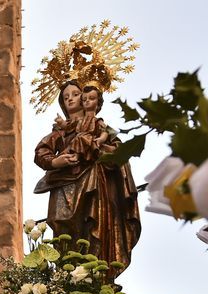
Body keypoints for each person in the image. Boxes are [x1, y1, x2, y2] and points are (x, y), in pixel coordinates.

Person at [33, 79, 140, 267]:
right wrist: (56, 161)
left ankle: (93, 272)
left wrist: (97, 149)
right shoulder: (60, 131)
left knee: (93, 225)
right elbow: (41, 152)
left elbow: (118, 149)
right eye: (66, 97)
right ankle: (67, 272)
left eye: (75, 95)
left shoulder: (99, 124)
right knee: (60, 222)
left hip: (94, 181)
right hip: (64, 184)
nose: (70, 99)